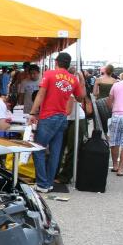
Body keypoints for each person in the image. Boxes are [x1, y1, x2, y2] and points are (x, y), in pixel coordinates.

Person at [28, 52, 83, 192]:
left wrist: (33, 112)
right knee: (55, 152)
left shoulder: (49, 74)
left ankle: (42, 184)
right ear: (68, 64)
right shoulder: (73, 79)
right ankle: (49, 183)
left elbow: (41, 94)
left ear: (57, 62)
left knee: (38, 150)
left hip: (48, 116)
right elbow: (80, 98)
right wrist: (81, 81)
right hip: (62, 117)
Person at [55, 67, 88, 184]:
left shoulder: (71, 85)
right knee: (59, 147)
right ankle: (55, 172)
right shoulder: (63, 84)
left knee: (71, 148)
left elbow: (69, 109)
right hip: (67, 118)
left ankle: (65, 176)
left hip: (75, 119)